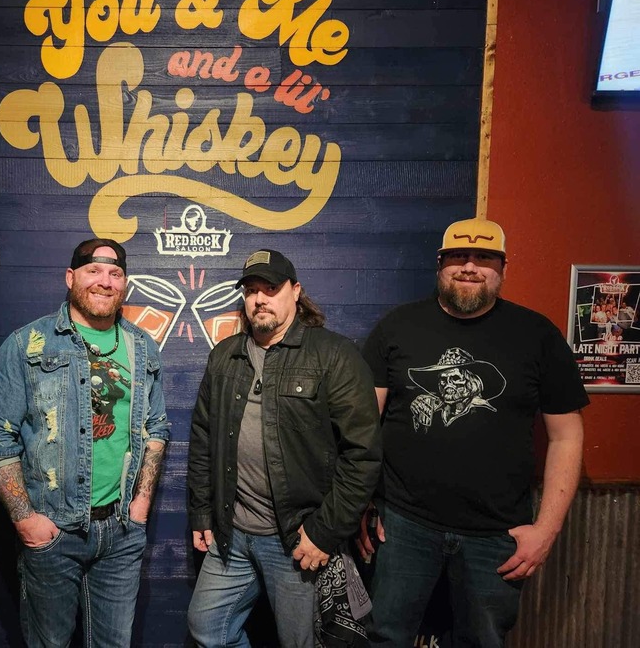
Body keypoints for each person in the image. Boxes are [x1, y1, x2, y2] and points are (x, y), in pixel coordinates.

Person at [358, 218, 588, 648]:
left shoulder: (537, 335)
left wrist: (547, 530)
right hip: (403, 525)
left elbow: (567, 437)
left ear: (503, 268)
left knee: (483, 641)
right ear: (440, 265)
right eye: (458, 257)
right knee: (384, 636)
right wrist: (361, 502)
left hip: (497, 534)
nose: (469, 266)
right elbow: (363, 425)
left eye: (484, 258)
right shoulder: (397, 327)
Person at [0, 238, 169, 648]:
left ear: (125, 283)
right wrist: (25, 519)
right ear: (70, 277)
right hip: (52, 532)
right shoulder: (28, 344)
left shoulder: (142, 346)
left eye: (115, 273)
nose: (105, 281)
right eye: (93, 270)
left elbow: (155, 428)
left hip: (120, 532)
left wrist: (140, 506)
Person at [187, 249, 382, 647]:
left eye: (271, 288)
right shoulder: (225, 356)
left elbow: (362, 454)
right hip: (232, 533)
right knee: (206, 627)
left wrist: (324, 532)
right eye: (251, 291)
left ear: (295, 291)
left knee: (300, 642)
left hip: (296, 538)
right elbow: (203, 437)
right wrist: (202, 511)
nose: (259, 299)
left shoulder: (333, 355)